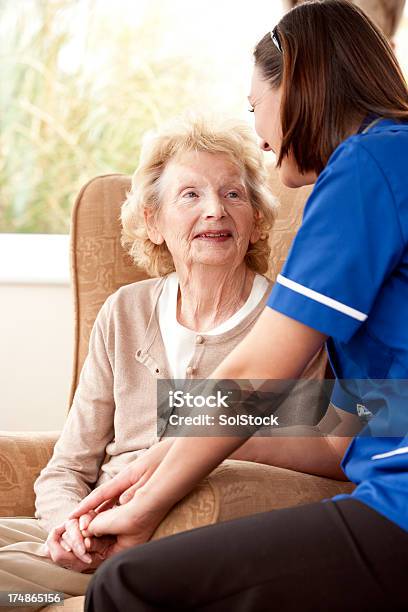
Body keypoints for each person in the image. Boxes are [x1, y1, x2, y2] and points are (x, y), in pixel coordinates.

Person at [69, 2, 408, 610]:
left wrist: (143, 506)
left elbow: (256, 372)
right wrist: (148, 465)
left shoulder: (366, 167)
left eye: (255, 105)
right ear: (153, 222)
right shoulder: (395, 158)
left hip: (400, 507)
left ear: (299, 82)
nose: (259, 132)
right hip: (383, 474)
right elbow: (357, 418)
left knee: (127, 585)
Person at [0, 116, 332, 608]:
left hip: (173, 540)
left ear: (258, 219)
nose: (215, 210)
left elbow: (321, 449)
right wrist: (67, 528)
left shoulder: (290, 326)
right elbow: (67, 466)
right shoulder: (124, 310)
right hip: (79, 536)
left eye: (234, 195)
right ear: (152, 222)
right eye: (190, 195)